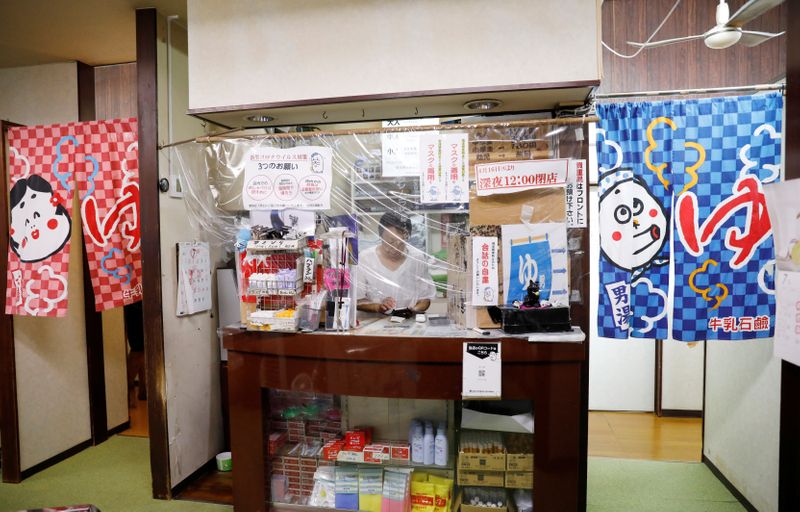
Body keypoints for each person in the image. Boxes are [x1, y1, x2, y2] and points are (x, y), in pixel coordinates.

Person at [357, 212, 436, 316]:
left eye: (401, 243)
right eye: (390, 242)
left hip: (406, 326)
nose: (396, 248)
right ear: (380, 236)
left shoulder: (417, 258)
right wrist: (378, 307)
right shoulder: (365, 259)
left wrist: (412, 310)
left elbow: (425, 298)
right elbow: (356, 300)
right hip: (373, 326)